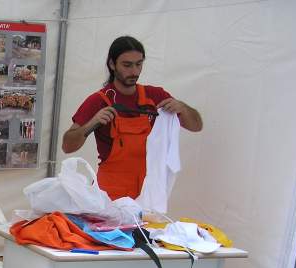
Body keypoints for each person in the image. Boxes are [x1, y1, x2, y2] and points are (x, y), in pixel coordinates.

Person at [61, 36, 203, 200]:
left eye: (139, 64)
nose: (134, 71)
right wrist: (91, 123)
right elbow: (67, 146)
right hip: (109, 195)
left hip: (148, 190)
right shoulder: (99, 101)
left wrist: (183, 108)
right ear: (112, 64)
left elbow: (196, 126)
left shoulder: (155, 96)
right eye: (127, 65)